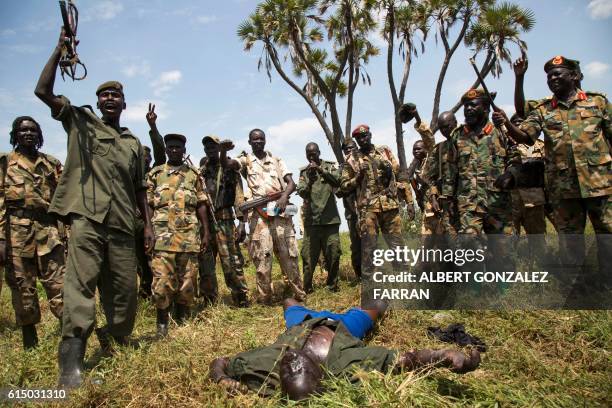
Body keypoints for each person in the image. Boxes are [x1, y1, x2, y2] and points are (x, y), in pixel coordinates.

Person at [34, 28, 154, 388]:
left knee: (125, 294)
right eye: (104, 94)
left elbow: (139, 188)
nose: (109, 99)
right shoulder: (80, 122)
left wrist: (146, 225)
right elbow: (43, 92)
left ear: (123, 103)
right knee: (80, 289)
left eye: (116, 94)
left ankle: (116, 341)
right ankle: (70, 365)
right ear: (98, 102)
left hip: (122, 225)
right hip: (87, 221)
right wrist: (59, 51)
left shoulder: (133, 143)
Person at [209, 298, 480, 400]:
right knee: (377, 304)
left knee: (289, 301)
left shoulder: (263, 366)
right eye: (299, 367)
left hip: (301, 322)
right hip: (343, 326)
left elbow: (220, 361)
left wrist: (221, 378)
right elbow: (404, 359)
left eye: (288, 369)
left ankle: (300, 296)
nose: (292, 360)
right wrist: (444, 356)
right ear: (318, 374)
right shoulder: (347, 364)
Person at [493, 55, 612, 277]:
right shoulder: (543, 110)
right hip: (564, 189)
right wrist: (508, 119)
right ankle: (579, 287)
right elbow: (525, 135)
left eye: (558, 73)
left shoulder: (598, 102)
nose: (552, 78)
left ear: (574, 76)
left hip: (601, 185)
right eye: (549, 76)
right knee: (571, 242)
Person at [0, 116, 65, 349]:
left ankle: (69, 335)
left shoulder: (51, 163)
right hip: (16, 232)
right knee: (22, 287)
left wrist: (66, 232)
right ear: (14, 134)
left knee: (59, 283)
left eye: (33, 130)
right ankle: (30, 339)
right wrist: (1, 239)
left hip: (48, 231)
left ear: (39, 135)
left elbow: (64, 198)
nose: (28, 134)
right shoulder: (5, 162)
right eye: (23, 130)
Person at [147, 133, 211, 336]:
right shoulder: (155, 174)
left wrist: (206, 231)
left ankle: (182, 316)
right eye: (171, 147)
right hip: (162, 236)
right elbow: (148, 206)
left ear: (184, 151)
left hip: (189, 236)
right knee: (162, 281)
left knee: (188, 280)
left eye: (178, 147)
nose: (174, 150)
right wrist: (147, 230)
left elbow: (201, 204)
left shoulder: (193, 174)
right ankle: (162, 322)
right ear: (166, 150)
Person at [233, 129, 306, 304]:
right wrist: (222, 152)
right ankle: (265, 299)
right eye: (254, 139)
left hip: (280, 215)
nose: (258, 142)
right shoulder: (246, 161)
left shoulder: (276, 160)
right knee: (262, 259)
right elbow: (230, 165)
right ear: (249, 142)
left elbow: (291, 184)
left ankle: (298, 295)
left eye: (261, 139)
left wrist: (283, 197)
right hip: (258, 218)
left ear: (265, 140)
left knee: (290, 257)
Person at [198, 135, 249, 307]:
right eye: (208, 147)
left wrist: (242, 223)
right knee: (206, 263)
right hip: (205, 223)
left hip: (225, 220)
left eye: (214, 146)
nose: (210, 149)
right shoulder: (201, 171)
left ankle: (240, 297)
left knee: (231, 262)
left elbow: (239, 196)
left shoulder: (229, 168)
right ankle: (209, 299)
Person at [297, 142, 342, 293]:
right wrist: (309, 180)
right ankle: (307, 288)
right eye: (308, 154)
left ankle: (332, 286)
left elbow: (338, 180)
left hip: (330, 220)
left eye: (314, 153)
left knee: (334, 254)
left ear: (319, 152)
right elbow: (302, 192)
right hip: (312, 222)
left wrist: (321, 170)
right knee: (308, 257)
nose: (311, 157)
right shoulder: (304, 172)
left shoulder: (329, 166)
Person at [136, 103, 167, 299]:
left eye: (147, 156)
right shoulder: (131, 175)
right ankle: (143, 292)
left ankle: (155, 294)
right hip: (132, 223)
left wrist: (153, 127)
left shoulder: (155, 173)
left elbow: (160, 152)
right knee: (137, 261)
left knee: (153, 260)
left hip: (152, 223)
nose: (146, 159)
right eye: (142, 156)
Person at [421, 111, 460, 239]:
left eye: (447, 126)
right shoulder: (439, 149)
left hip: (471, 201)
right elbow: (429, 177)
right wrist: (433, 196)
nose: (444, 130)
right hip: (448, 204)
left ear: (455, 123)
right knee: (452, 242)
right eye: (441, 127)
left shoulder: (469, 142)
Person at [336, 139, 362, 279]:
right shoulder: (341, 169)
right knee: (356, 245)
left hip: (369, 210)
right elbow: (338, 192)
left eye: (351, 148)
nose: (349, 151)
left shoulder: (364, 162)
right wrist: (353, 182)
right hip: (352, 212)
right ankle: (359, 276)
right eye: (346, 149)